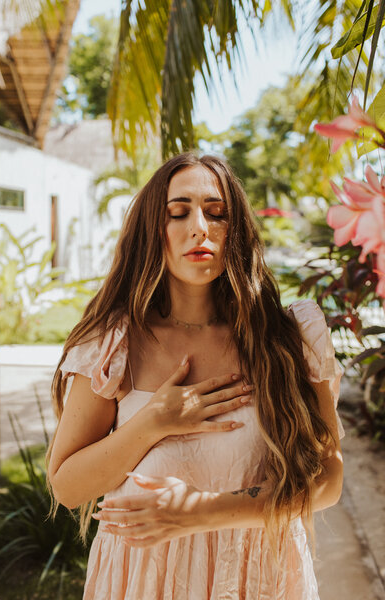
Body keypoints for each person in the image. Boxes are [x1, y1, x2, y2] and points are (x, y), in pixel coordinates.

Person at [47, 152, 345, 600]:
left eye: (216, 213)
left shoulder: (288, 337)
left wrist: (196, 512)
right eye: (177, 212)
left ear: (236, 230)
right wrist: (152, 422)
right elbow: (68, 486)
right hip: (144, 582)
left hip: (261, 578)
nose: (199, 228)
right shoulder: (114, 344)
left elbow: (327, 480)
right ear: (154, 230)